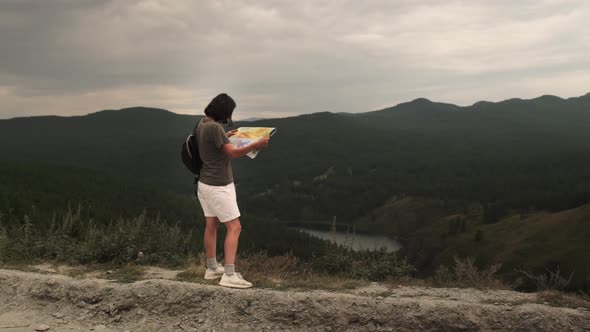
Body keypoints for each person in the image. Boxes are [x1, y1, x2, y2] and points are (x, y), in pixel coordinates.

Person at [195, 93, 269, 289]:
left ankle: (212, 268)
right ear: (225, 111)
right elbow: (233, 153)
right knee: (235, 227)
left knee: (211, 224)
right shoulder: (215, 127)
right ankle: (229, 274)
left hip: (204, 183)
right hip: (219, 185)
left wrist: (225, 137)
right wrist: (257, 144)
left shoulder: (203, 124)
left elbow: (211, 146)